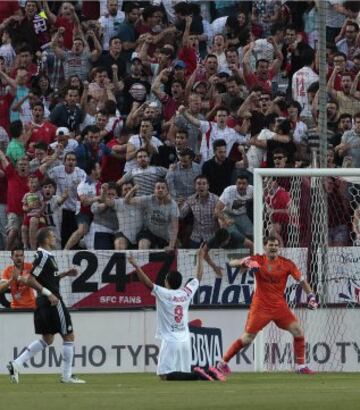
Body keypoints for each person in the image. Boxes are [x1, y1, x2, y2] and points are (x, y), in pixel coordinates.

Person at [216, 236, 318, 377]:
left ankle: (301, 366)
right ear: (265, 247)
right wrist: (244, 261)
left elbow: (302, 281)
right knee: (247, 339)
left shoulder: (287, 264)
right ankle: (222, 363)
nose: (274, 247)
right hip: (261, 306)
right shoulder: (258, 260)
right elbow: (232, 263)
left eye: (276, 245)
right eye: (271, 245)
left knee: (298, 331)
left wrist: (311, 296)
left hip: (279, 307)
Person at [127, 243, 225, 382]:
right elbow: (198, 278)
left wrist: (136, 266)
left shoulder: (164, 294)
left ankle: (198, 375)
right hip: (184, 340)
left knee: (164, 375)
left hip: (170, 340)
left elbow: (147, 283)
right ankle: (202, 374)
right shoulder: (185, 293)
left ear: (167, 282)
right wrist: (200, 257)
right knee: (180, 374)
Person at [7, 227, 85, 384]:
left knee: (47, 339)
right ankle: (66, 376)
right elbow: (31, 279)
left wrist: (65, 274)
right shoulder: (43, 256)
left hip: (42, 302)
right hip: (52, 301)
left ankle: (17, 363)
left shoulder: (48, 256)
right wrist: (48, 293)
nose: (55, 238)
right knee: (68, 336)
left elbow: (47, 278)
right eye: (52, 236)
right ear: (46, 240)